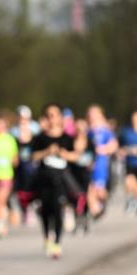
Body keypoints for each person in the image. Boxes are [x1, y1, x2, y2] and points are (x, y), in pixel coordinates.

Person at [31, 103, 84, 258]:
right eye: (49, 115)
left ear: (61, 118)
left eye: (55, 115)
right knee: (45, 210)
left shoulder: (67, 138)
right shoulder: (40, 137)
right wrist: (47, 151)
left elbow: (76, 156)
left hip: (60, 178)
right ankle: (47, 236)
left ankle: (57, 243)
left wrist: (62, 154)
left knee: (58, 209)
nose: (52, 119)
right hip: (43, 178)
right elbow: (32, 156)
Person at [85, 104, 118, 218]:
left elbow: (114, 145)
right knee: (91, 187)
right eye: (90, 114)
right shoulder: (87, 130)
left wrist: (103, 150)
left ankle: (100, 206)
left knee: (99, 189)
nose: (92, 116)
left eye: (94, 113)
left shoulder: (104, 130)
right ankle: (95, 210)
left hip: (101, 163)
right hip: (90, 163)